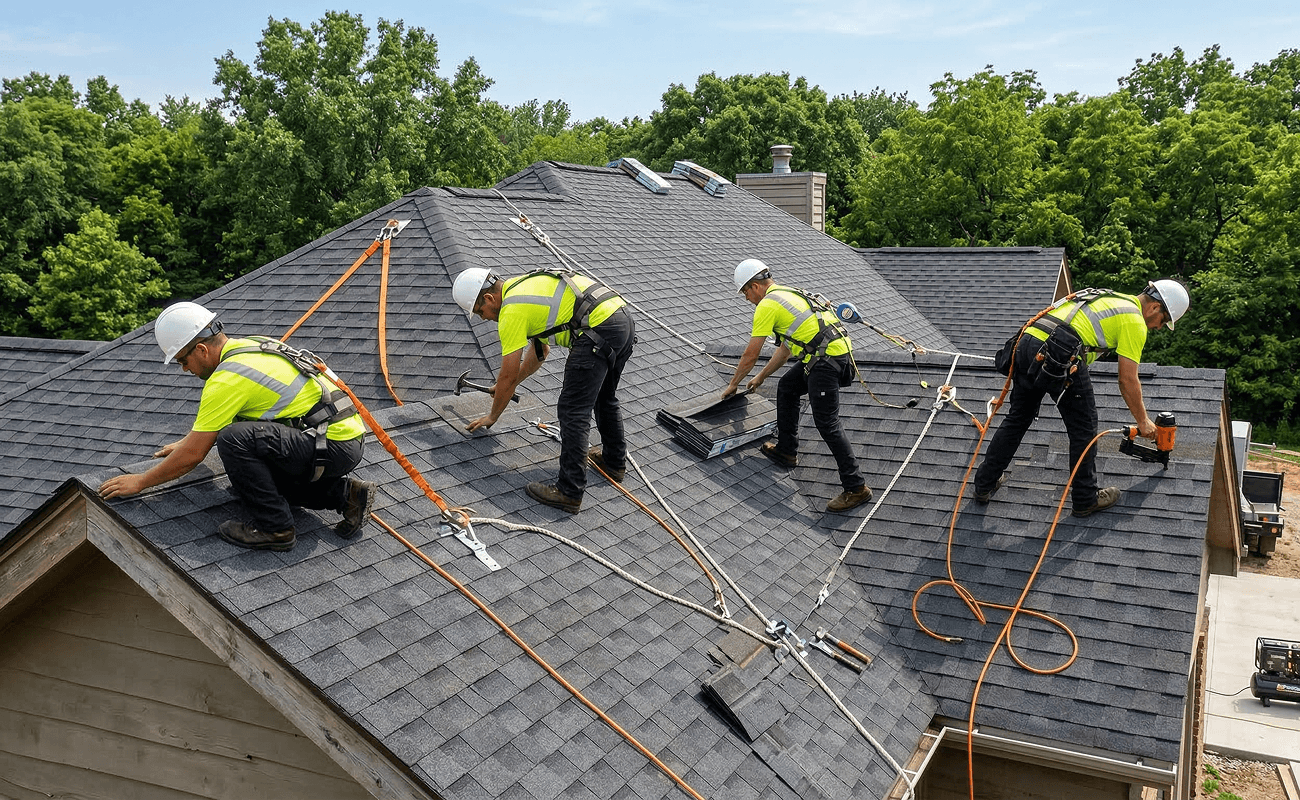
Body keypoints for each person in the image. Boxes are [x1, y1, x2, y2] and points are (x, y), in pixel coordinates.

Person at [98, 302, 374, 551]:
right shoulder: (253, 344)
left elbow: (194, 456)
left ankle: (275, 528)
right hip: (343, 436)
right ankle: (346, 495)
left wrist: (141, 482)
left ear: (202, 350)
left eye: (183, 360)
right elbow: (240, 413)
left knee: (233, 440)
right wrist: (188, 440)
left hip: (329, 444)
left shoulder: (226, 378)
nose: (184, 369)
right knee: (254, 482)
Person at [972, 279, 1190, 517]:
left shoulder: (1111, 297)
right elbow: (1127, 380)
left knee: (1017, 419)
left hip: (1026, 341)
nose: (1159, 327)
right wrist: (1143, 422)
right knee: (1084, 430)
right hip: (1061, 352)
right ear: (1155, 307)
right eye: (1164, 321)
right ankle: (1085, 498)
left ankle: (984, 483)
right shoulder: (1135, 320)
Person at [453, 266, 634, 513]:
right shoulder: (522, 286)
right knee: (604, 397)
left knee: (572, 411)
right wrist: (511, 385)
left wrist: (493, 415)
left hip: (597, 330)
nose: (484, 317)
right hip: (620, 319)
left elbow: (506, 374)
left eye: (480, 311)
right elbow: (540, 353)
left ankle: (569, 491)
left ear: (488, 298)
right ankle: (614, 463)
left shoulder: (511, 312)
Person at [723, 258, 873, 513]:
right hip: (827, 355)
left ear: (754, 287)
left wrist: (732, 385)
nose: (747, 299)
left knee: (827, 423)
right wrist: (761, 377)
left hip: (826, 361)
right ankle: (786, 450)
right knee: (788, 387)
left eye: (745, 294)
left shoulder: (767, 305)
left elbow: (750, 353)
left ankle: (856, 488)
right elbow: (786, 349)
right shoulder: (789, 294)